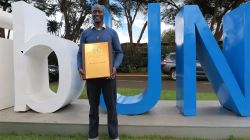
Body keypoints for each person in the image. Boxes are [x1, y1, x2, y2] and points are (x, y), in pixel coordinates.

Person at [77, 4, 123, 140]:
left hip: (109, 76)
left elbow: (119, 52)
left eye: (99, 11)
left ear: (104, 14)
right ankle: (93, 136)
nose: (97, 13)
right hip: (91, 78)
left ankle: (114, 136)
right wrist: (79, 66)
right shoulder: (85, 33)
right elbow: (80, 54)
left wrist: (115, 66)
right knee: (93, 108)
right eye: (94, 11)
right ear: (92, 14)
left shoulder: (111, 33)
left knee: (111, 107)